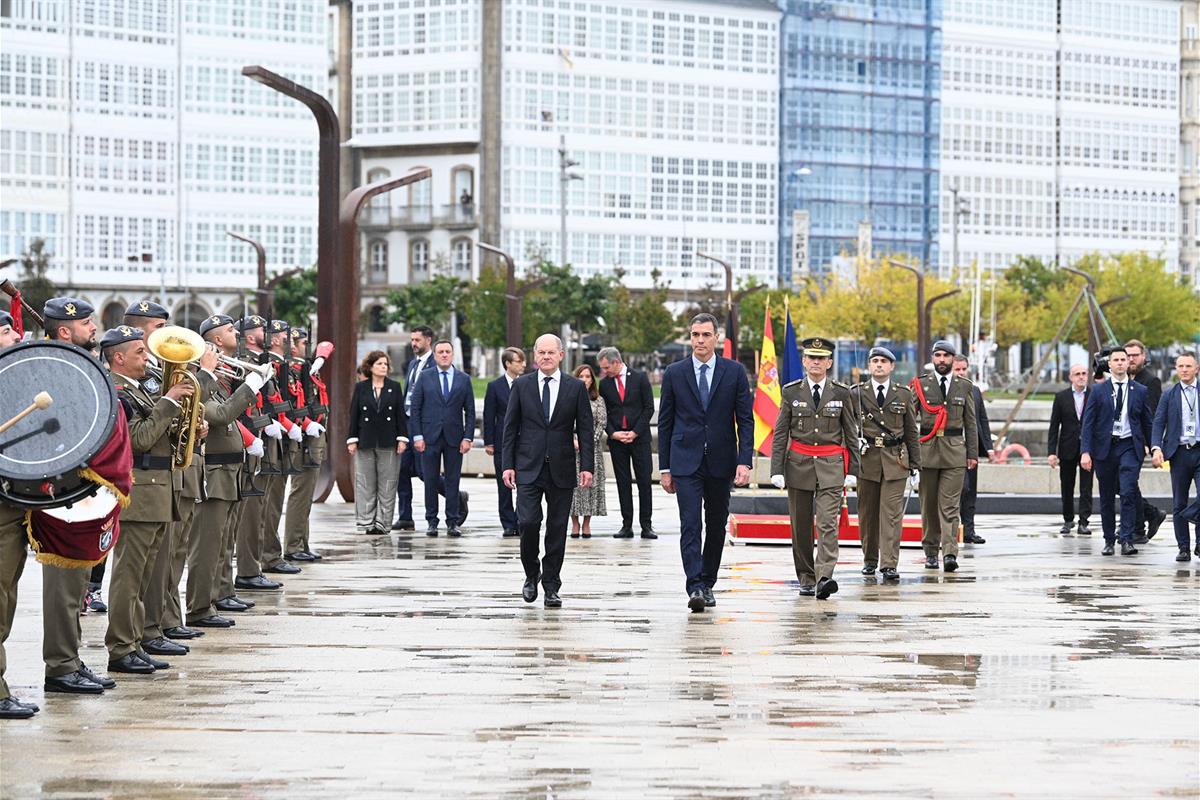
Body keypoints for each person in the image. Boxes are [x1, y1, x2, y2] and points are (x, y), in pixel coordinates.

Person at [100, 325, 194, 675]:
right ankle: (121, 646)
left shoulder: (138, 389)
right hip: (138, 491)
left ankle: (134, 641)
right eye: (140, 351)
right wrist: (169, 402)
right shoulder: (116, 391)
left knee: (143, 577)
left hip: (156, 489)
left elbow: (157, 434)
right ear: (119, 358)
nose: (148, 356)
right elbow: (138, 439)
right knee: (129, 576)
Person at [37, 298, 118, 695]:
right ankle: (60, 666)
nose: (94, 329)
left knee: (76, 583)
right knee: (62, 587)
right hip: (54, 491)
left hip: (82, 488)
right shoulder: (49, 369)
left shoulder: (82, 369)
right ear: (65, 331)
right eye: (88, 323)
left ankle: (67, 660)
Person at [658, 313, 753, 613]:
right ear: (690, 337)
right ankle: (694, 584)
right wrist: (665, 468)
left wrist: (745, 461)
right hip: (685, 461)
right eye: (695, 335)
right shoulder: (675, 372)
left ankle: (708, 582)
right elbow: (665, 423)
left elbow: (745, 420)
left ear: (716, 338)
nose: (700, 340)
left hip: (721, 461)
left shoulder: (734, 372)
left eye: (706, 335)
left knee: (715, 524)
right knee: (690, 523)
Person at [501, 334, 594, 608]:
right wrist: (508, 465)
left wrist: (586, 465)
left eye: (551, 352)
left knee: (556, 529)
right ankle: (532, 574)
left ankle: (551, 584)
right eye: (541, 352)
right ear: (534, 356)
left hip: (562, 468)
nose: (546, 357)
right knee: (528, 523)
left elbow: (585, 430)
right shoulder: (522, 386)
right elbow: (510, 428)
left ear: (561, 355)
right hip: (528, 467)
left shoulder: (575, 387)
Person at [186, 314, 263, 630]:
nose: (237, 333)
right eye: (231, 330)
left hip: (228, 469)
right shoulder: (201, 377)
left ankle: (218, 594)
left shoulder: (219, 374)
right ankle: (199, 607)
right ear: (215, 340)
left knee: (221, 542)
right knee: (206, 545)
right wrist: (249, 388)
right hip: (214, 472)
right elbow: (220, 414)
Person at [770, 337, 860, 600]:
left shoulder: (842, 393)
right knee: (800, 527)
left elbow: (850, 433)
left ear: (829, 363)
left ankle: (824, 577)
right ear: (804, 361)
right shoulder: (791, 392)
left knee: (828, 523)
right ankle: (806, 577)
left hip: (831, 467)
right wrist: (776, 469)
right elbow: (780, 433)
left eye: (821, 358)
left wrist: (853, 468)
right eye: (811, 358)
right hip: (798, 465)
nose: (816, 362)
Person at [850, 346, 919, 581]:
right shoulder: (856, 393)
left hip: (895, 462)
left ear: (892, 367)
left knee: (891, 515)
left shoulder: (903, 394)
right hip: (867, 460)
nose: (879, 365)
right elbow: (847, 428)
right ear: (869, 366)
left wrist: (915, 465)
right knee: (867, 514)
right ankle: (869, 559)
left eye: (883, 361)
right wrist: (852, 448)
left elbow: (911, 431)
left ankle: (889, 563)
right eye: (875, 361)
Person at [911, 341, 979, 572]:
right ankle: (931, 551)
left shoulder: (964, 386)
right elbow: (910, 421)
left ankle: (950, 553)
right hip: (927, 451)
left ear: (953, 360)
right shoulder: (921, 385)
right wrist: (910, 453)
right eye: (938, 355)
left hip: (954, 453)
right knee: (929, 506)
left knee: (950, 507)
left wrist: (972, 453)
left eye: (946, 356)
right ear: (932, 358)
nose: (941, 360)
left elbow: (971, 422)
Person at [1080, 346, 1153, 556]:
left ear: (1128, 364)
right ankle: (1109, 539)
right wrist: (1086, 451)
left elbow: (1147, 422)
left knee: (1129, 491)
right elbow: (1088, 423)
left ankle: (1127, 538)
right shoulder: (1098, 391)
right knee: (1106, 495)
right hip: (1105, 449)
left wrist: (1155, 447)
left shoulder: (1139, 390)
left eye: (1124, 359)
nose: (1121, 363)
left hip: (1130, 445)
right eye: (1116, 360)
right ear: (1109, 364)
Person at [233, 315, 285, 594]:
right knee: (251, 511)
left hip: (262, 439)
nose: (269, 333)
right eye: (262, 329)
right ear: (250, 336)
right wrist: (255, 434)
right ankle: (248, 570)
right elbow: (241, 410)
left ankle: (254, 566)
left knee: (260, 508)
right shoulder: (243, 364)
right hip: (249, 442)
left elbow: (268, 404)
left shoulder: (260, 362)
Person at [410, 339, 475, 537]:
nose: (444, 355)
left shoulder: (463, 379)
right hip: (429, 437)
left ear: (452, 354)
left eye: (447, 351)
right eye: (440, 352)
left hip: (455, 438)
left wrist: (468, 437)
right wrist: (418, 436)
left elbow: (470, 411)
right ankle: (431, 521)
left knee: (453, 480)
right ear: (435, 355)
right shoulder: (425, 377)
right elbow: (416, 408)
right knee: (430, 480)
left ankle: (452, 521)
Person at [259, 320, 306, 577]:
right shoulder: (270, 366)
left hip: (283, 437)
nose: (291, 340)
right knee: (269, 503)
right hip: (269, 440)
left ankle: (270, 554)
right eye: (286, 336)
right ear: (276, 339)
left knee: (274, 502)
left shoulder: (285, 367)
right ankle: (268, 556)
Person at [597, 346, 656, 539]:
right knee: (623, 483)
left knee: (644, 482)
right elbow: (604, 413)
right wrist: (613, 433)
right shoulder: (605, 384)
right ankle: (626, 525)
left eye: (606, 367)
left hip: (639, 439)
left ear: (615, 362)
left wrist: (635, 432)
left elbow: (648, 408)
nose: (604, 371)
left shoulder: (639, 378)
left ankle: (646, 525)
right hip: (617, 441)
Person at [347, 351, 407, 535]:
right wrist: (352, 439)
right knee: (365, 482)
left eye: (385, 364)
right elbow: (354, 414)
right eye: (380, 364)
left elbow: (400, 415)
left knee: (388, 483)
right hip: (365, 441)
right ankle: (366, 522)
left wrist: (402, 439)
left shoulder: (394, 387)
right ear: (370, 367)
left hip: (389, 441)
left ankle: (383, 523)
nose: (383, 367)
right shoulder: (361, 388)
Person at [283, 328, 329, 561]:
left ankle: (302, 543)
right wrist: (307, 423)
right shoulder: (293, 370)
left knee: (307, 493)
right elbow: (292, 404)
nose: (306, 347)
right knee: (301, 493)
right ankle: (293, 546)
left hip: (315, 434)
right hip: (304, 436)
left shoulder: (308, 369)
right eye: (303, 343)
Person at [1150, 352, 1200, 562]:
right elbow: (1159, 422)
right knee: (1179, 502)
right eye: (1180, 366)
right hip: (1178, 453)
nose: (1184, 370)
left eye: (1188, 366)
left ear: (1196, 368)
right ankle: (1184, 547)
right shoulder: (1169, 394)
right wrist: (1156, 448)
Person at [1125, 339, 1168, 544]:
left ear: (1144, 357)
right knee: (1123, 485)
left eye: (1135, 355)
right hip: (1120, 440)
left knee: (1127, 484)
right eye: (1128, 355)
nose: (1131, 359)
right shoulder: (1121, 377)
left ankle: (1139, 525)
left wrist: (1149, 444)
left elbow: (1152, 415)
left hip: (1138, 442)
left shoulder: (1150, 381)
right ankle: (1147, 516)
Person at [395, 325, 436, 529]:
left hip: (424, 425)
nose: (414, 343)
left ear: (428, 340)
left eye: (417, 340)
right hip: (408, 423)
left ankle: (454, 495)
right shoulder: (412, 364)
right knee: (402, 469)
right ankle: (405, 517)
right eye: (412, 340)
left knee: (423, 471)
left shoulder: (435, 364)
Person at [483, 347, 525, 538]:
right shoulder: (495, 386)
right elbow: (489, 415)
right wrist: (489, 442)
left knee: (526, 484)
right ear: (508, 363)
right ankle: (508, 523)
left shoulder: (527, 383)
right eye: (518, 361)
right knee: (504, 485)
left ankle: (522, 520)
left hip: (525, 442)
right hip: (502, 443)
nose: (523, 365)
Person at [951, 355, 994, 545]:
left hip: (971, 450)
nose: (961, 373)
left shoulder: (974, 391)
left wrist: (989, 448)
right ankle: (952, 530)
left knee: (970, 492)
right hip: (951, 449)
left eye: (963, 369)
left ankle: (969, 530)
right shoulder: (944, 390)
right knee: (959, 488)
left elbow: (981, 420)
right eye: (957, 369)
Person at [1048, 364, 1093, 535]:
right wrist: (1052, 452)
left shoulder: (1094, 395)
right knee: (1067, 485)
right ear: (1071, 377)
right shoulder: (1061, 397)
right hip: (1067, 447)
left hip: (1088, 449)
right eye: (1077, 374)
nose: (1081, 377)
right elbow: (1054, 426)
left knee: (1086, 487)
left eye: (1084, 373)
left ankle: (1084, 521)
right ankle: (1068, 520)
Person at [570, 364, 607, 538]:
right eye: (581, 376)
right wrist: (573, 440)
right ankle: (574, 523)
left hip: (592, 450)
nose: (584, 380)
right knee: (573, 488)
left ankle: (587, 523)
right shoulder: (568, 397)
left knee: (591, 486)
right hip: (570, 449)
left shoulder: (598, 400)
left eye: (587, 376)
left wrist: (586, 442)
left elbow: (601, 423)